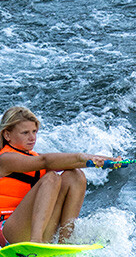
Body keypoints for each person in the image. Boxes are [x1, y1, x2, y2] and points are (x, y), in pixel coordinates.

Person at [0, 105, 122, 246]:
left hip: (33, 226)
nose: (32, 138)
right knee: (52, 177)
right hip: (9, 231)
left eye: (34, 131)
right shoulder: (5, 159)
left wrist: (108, 161)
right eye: (25, 133)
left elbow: (73, 162)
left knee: (75, 175)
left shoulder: (33, 156)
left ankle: (65, 241)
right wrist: (84, 157)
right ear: (7, 135)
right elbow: (45, 161)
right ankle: (35, 242)